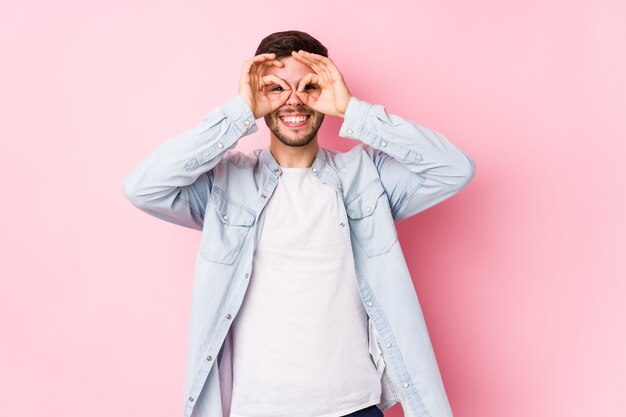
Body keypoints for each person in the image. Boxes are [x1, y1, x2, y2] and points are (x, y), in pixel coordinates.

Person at [123, 30, 475, 417]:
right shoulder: (227, 184)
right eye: (276, 88)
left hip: (355, 407)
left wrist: (353, 109)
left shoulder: (365, 177)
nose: (293, 100)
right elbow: (143, 187)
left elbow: (454, 169)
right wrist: (239, 113)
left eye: (308, 86)